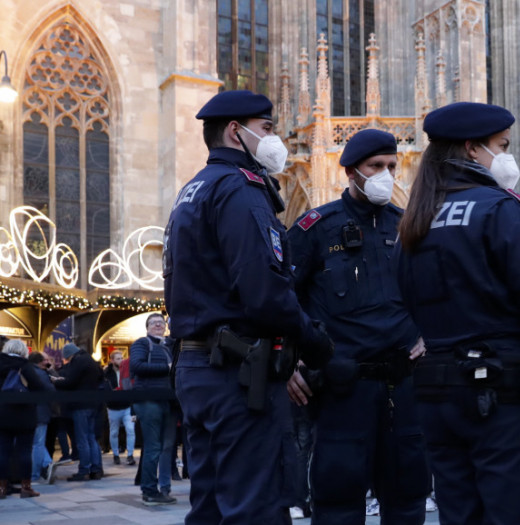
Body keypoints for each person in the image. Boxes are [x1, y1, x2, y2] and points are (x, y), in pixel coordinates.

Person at [395, 101, 520, 525]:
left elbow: (403, 299)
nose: (507, 156)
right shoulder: (501, 209)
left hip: (438, 393)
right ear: (473, 149)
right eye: (502, 145)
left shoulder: (415, 221)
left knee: (460, 514)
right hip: (502, 395)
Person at [163, 89, 331, 524]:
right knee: (255, 506)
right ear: (236, 132)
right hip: (236, 374)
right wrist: (315, 342)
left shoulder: (193, 189)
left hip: (199, 366)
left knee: (211, 506)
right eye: (268, 129)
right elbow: (265, 292)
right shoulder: (240, 189)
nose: (276, 140)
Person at [286, 128, 429, 524]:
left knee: (408, 500)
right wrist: (289, 359)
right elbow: (282, 298)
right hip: (343, 390)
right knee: (337, 503)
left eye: (391, 166)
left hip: (402, 387)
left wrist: (427, 337)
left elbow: (434, 292)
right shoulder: (317, 227)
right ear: (350, 171)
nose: (386, 174)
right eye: (375, 166)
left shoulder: (407, 227)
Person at [130, 313, 176, 506]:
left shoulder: (168, 346)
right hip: (149, 400)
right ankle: (149, 489)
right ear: (147, 327)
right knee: (153, 446)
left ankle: (162, 488)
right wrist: (167, 367)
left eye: (161, 322)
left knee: (166, 447)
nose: (158, 325)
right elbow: (136, 366)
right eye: (153, 323)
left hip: (168, 401)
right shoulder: (142, 343)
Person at [0, 339, 54, 498]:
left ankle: (2, 488)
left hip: (2, 414)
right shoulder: (25, 366)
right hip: (24, 414)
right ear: (24, 350)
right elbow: (40, 389)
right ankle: (26, 487)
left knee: (2, 451)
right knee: (25, 451)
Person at [54, 343, 105, 482]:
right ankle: (96, 469)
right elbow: (101, 376)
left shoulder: (78, 361)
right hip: (93, 403)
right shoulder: (90, 360)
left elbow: (70, 382)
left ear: (70, 355)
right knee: (91, 438)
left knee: (82, 439)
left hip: (81, 404)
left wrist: (55, 381)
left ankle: (84, 470)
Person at [26, 351, 56, 484]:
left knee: (35, 442)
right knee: (38, 443)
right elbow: (51, 391)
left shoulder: (26, 371)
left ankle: (47, 463)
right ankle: (36, 473)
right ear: (38, 361)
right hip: (41, 411)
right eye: (44, 360)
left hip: (29, 411)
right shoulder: (40, 374)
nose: (47, 362)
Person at [103, 349, 136, 467]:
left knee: (130, 430)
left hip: (127, 405)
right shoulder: (106, 373)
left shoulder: (127, 369)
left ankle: (130, 454)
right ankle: (116, 454)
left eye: (122, 358)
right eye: (118, 358)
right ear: (111, 360)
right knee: (114, 432)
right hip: (113, 407)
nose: (121, 361)